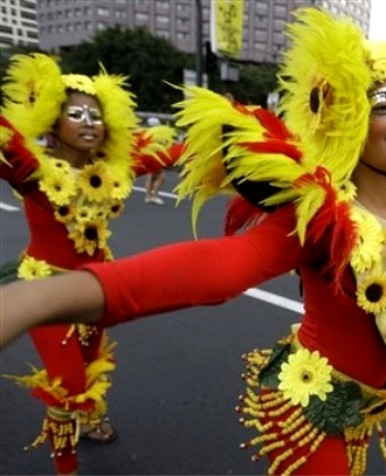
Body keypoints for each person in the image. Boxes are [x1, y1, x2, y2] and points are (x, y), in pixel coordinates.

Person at [0, 10, 386, 475]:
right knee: (71, 383)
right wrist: (38, 301)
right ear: (345, 115)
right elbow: (219, 269)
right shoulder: (319, 213)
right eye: (384, 104)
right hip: (308, 404)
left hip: (369, 402)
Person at [0, 53, 181, 475]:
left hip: (97, 287)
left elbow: (171, 154)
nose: (87, 122)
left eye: (95, 115)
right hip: (46, 292)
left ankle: (91, 413)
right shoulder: (34, 171)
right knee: (66, 384)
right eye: (75, 113)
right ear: (52, 122)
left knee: (91, 361)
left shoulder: (115, 170)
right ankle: (67, 467)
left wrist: (227, 138)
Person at [143, 117, 167, 205]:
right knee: (162, 176)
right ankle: (154, 196)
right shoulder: (156, 134)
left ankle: (148, 196)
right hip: (155, 158)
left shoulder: (145, 133)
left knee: (151, 177)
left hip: (147, 157)